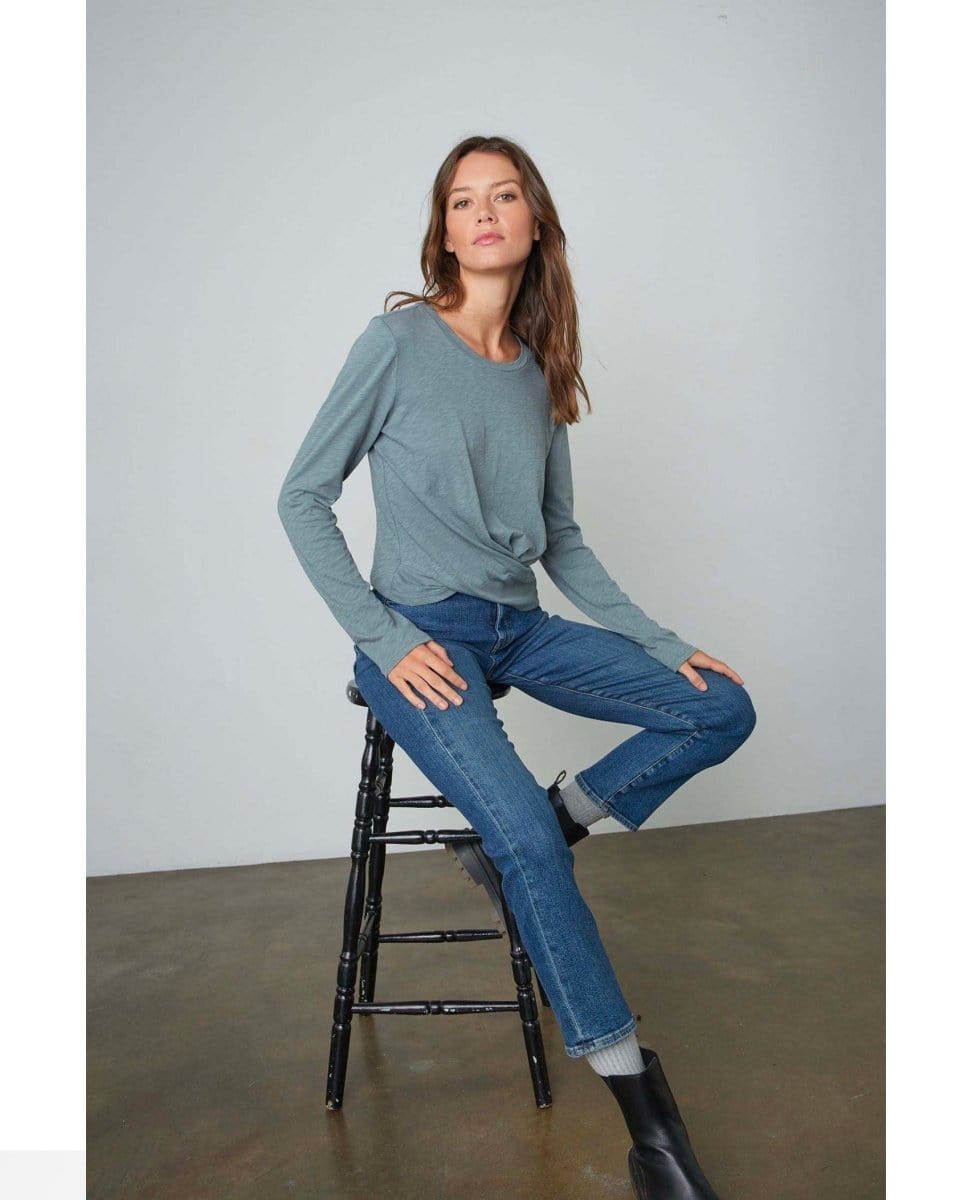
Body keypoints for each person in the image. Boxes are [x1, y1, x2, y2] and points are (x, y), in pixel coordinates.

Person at [277, 133, 756, 1200]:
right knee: (530, 851)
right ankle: (650, 1129)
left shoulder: (538, 369)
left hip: (517, 626)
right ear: (444, 231)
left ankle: (552, 820)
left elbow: (562, 540)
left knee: (721, 707)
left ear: (536, 224)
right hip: (421, 639)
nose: (483, 214)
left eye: (503, 197)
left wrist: (663, 644)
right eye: (462, 201)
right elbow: (301, 497)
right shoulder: (397, 343)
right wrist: (386, 639)